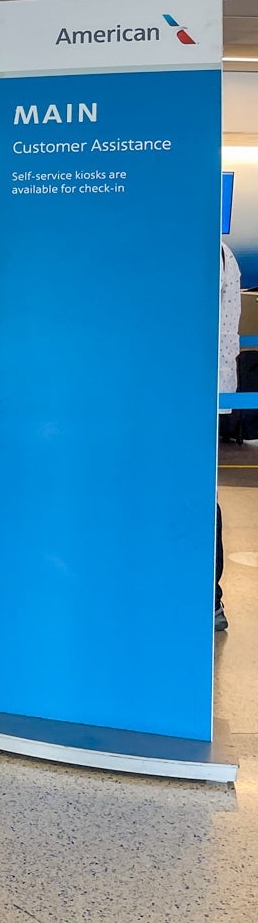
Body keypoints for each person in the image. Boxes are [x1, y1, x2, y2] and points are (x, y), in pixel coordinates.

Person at [217, 239, 241, 631]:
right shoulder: (222, 250)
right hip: (207, 386)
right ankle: (210, 601)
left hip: (189, 389)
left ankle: (208, 599)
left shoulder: (205, 247)